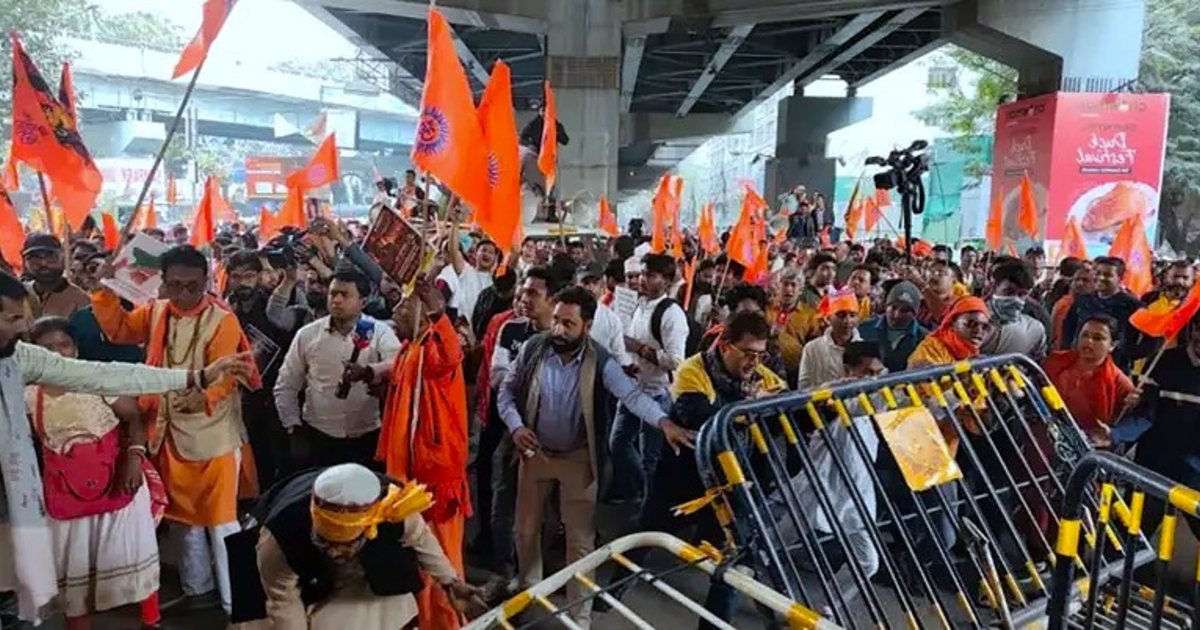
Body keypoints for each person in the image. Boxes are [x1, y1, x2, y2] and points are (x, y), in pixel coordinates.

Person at [0, 272, 253, 626]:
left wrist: (195, 377)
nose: (23, 326)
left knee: (218, 527)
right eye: (13, 319)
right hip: (48, 492)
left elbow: (112, 376)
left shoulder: (22, 357)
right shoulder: (31, 379)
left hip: (189, 452)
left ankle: (232, 607)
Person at [497, 288, 687, 629]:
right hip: (533, 453)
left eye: (569, 323)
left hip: (578, 459)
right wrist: (515, 427)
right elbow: (506, 392)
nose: (558, 330)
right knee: (525, 532)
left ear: (587, 325)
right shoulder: (533, 348)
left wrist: (663, 422)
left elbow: (631, 396)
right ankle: (529, 596)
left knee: (580, 542)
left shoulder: (600, 360)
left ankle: (579, 617)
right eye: (556, 320)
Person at [92, 244, 261, 615]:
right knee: (184, 522)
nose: (184, 294)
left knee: (223, 523)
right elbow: (119, 329)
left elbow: (228, 371)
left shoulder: (223, 319)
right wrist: (103, 290)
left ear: (206, 281)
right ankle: (197, 590)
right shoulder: (154, 312)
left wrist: (206, 397)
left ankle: (243, 605)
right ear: (163, 282)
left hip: (213, 433)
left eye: (192, 286)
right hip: (167, 431)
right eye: (175, 285)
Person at [616, 312, 785, 627]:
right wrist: (751, 408)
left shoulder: (764, 378)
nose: (754, 362)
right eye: (748, 354)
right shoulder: (693, 369)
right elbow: (698, 417)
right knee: (647, 534)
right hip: (681, 477)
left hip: (733, 484)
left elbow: (787, 411)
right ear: (725, 347)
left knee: (730, 565)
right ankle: (617, 581)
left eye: (760, 355)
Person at [26, 317, 162, 630]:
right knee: (73, 566)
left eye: (64, 345)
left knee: (133, 553)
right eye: (48, 349)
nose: (58, 354)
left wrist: (133, 459)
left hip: (118, 482)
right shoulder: (29, 395)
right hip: (65, 491)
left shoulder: (96, 379)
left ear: (75, 348)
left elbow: (135, 419)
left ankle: (151, 620)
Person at [235, 464, 484, 630]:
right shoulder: (278, 538)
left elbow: (422, 541)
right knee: (256, 620)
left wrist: (451, 582)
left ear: (368, 529)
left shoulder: (395, 508)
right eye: (325, 542)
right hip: (269, 551)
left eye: (342, 545)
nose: (333, 551)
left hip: (368, 565)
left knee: (390, 609)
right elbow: (281, 603)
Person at [372, 280, 470, 630]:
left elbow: (451, 355)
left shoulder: (434, 347)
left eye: (403, 306)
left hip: (434, 478)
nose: (395, 311)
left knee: (440, 563)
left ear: (424, 315)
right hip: (407, 477)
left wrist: (440, 313)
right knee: (417, 561)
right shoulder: (409, 347)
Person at [275, 269, 401, 470]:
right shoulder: (308, 335)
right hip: (319, 437)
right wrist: (293, 428)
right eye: (333, 294)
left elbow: (399, 366)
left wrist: (370, 372)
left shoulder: (379, 333)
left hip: (367, 437)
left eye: (345, 295)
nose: (337, 300)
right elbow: (286, 385)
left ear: (363, 301)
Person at [225, 251, 303, 486]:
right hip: (240, 395)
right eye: (236, 277)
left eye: (248, 276)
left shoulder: (275, 304)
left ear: (259, 276)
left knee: (279, 454)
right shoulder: (224, 307)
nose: (242, 282)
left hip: (274, 392)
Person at [615, 253, 685, 503]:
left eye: (650, 276)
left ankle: (650, 510)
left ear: (666, 281)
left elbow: (677, 361)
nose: (642, 280)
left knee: (650, 457)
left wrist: (641, 349)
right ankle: (642, 492)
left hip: (658, 393)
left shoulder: (671, 314)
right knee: (619, 444)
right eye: (641, 274)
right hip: (632, 387)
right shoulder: (638, 305)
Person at [1043, 315, 1136, 447]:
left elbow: (1127, 426)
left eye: (1098, 338)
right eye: (1085, 335)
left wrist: (1112, 434)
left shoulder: (1120, 383)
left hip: (1080, 449)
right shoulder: (1055, 361)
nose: (1088, 342)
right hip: (1041, 438)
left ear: (1112, 345)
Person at [1061, 256, 1142, 367]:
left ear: (1120, 277)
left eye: (1107, 275)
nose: (1101, 277)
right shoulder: (1082, 300)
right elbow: (1068, 328)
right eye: (1098, 273)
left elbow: (1153, 337)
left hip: (1115, 367)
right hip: (1081, 364)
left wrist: (1129, 353)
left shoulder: (1133, 306)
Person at [857, 280, 928, 374]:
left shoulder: (925, 340)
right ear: (886, 306)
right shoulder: (864, 330)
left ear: (915, 313)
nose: (897, 315)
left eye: (905, 311)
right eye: (893, 307)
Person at [981, 260, 1047, 359]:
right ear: (993, 287)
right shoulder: (973, 322)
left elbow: (1038, 365)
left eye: (1022, 294)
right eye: (1009, 292)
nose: (1016, 299)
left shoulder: (1034, 329)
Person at [798, 288, 862, 389]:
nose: (847, 321)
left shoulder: (865, 350)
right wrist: (828, 387)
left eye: (852, 315)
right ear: (828, 318)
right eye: (841, 315)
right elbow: (803, 388)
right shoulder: (811, 349)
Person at [767, 268, 821, 385]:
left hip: (795, 371)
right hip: (766, 368)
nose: (789, 289)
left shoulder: (809, 315)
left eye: (793, 285)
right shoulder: (767, 308)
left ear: (801, 289)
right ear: (778, 286)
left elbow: (813, 347)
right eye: (785, 284)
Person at [22, 233, 90, 319]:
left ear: (63, 257)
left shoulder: (81, 300)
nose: (43, 263)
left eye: (51, 257)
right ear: (25, 262)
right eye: (35, 258)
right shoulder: (17, 294)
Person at [447, 221, 498, 329]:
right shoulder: (466, 271)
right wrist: (455, 223)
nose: (486, 254)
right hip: (463, 331)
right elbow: (453, 250)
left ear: (495, 259)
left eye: (491, 252)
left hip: (485, 334)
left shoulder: (497, 280)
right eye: (483, 250)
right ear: (475, 254)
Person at [917, 259, 966, 330]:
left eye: (940, 273)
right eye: (931, 272)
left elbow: (945, 317)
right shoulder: (921, 302)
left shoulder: (960, 304)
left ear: (954, 280)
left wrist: (922, 286)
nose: (933, 276)